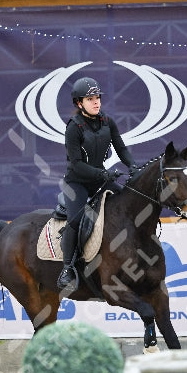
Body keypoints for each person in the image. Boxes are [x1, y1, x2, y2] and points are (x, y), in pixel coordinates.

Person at [57, 76, 139, 291]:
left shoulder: (107, 121)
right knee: (75, 220)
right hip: (77, 183)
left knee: (126, 206)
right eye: (90, 98)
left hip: (99, 179)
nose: (96, 102)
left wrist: (132, 166)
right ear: (79, 103)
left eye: (98, 98)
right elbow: (75, 165)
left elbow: (121, 148)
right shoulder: (73, 128)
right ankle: (67, 268)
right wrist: (103, 174)